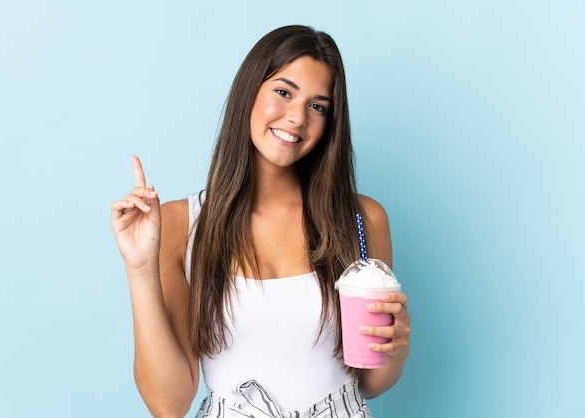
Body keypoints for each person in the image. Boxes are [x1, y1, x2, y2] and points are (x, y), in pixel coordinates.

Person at [111, 25, 411, 418]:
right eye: (283, 92)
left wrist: (396, 349)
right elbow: (169, 405)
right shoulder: (179, 225)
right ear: (250, 90)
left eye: (318, 106)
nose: (297, 118)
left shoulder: (361, 220)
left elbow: (371, 382)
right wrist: (140, 269)